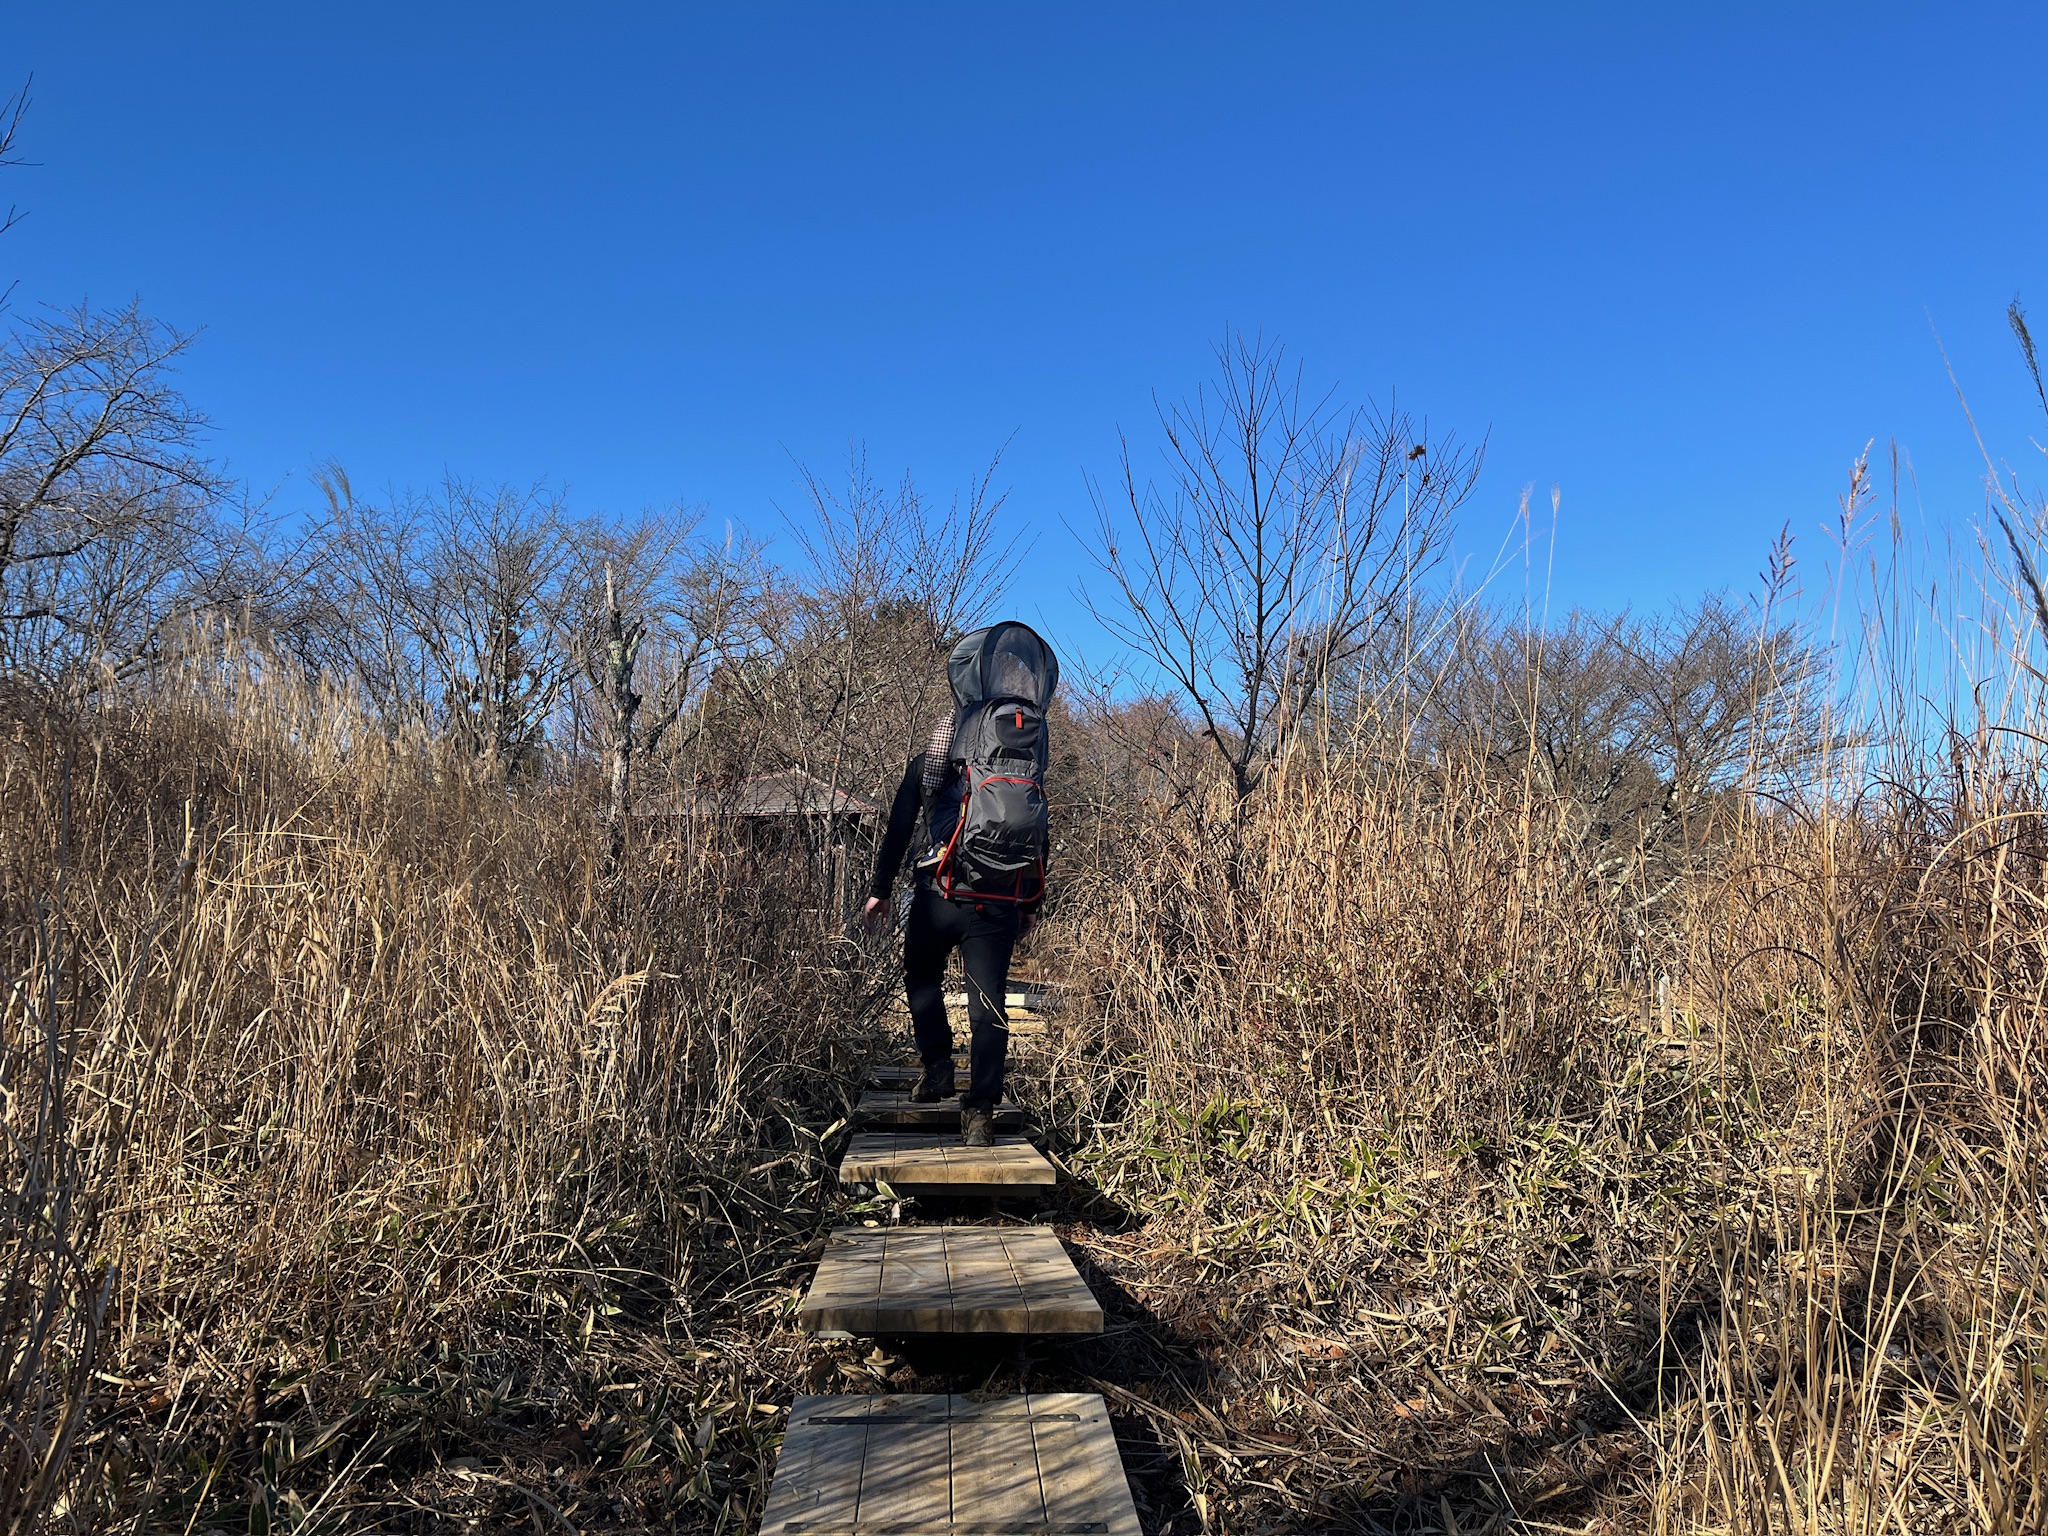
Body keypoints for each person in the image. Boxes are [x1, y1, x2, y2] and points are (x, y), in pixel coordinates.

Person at [863, 622, 1057, 1147]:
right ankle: (981, 1114)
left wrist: (881, 887)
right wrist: (1032, 898)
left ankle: (939, 1070)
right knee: (988, 1002)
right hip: (998, 896)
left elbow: (903, 819)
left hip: (939, 887)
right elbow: (1038, 825)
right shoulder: (1029, 745)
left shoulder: (948, 735)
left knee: (922, 976)